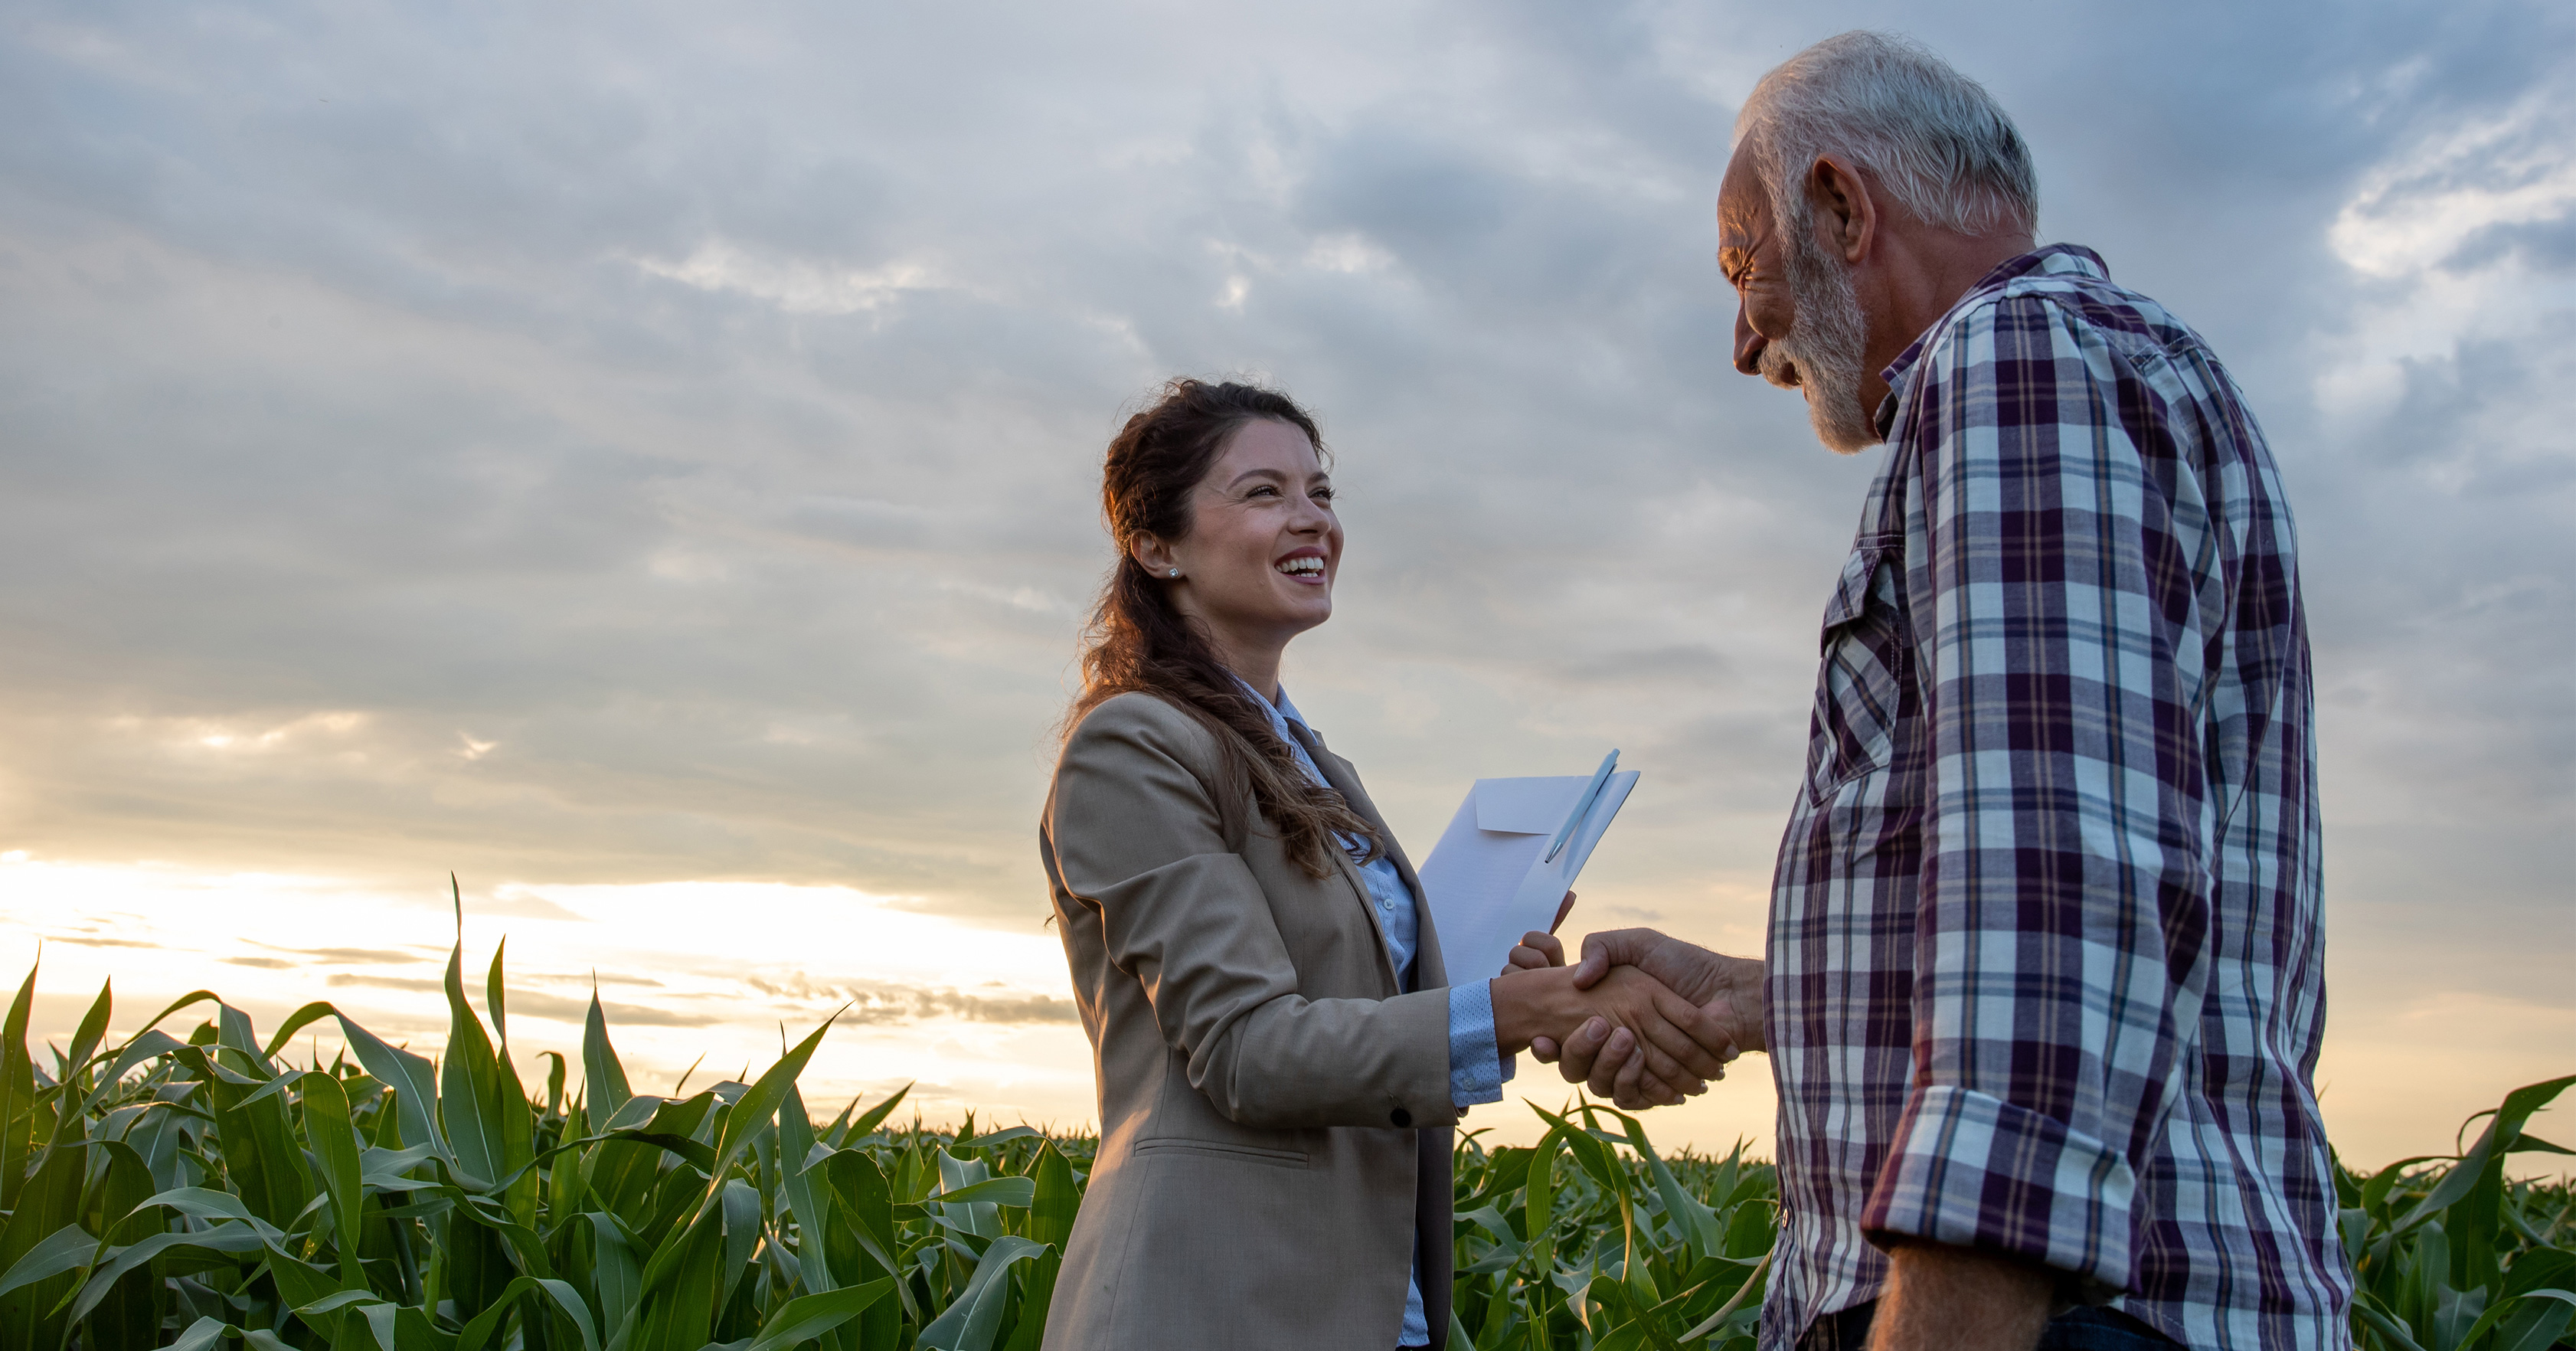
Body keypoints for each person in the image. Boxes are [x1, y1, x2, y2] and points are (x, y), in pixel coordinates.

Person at [1514, 31, 2353, 1351]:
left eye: (1744, 267)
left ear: (1842, 209)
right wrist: (1745, 995)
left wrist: (1947, 1317)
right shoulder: (2123, 368)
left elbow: (2052, 892)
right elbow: (2105, 889)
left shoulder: (2013, 360)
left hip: (2054, 1316)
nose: (1743, 339)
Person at [1038, 378, 1732, 1350]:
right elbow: (1247, 1050)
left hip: (1377, 1309)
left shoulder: (1317, 764)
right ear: (1155, 548)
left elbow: (1360, 1018)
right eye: (1264, 493)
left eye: (1321, 493)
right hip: (1214, 1304)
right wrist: (1527, 1011)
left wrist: (1501, 986)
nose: (1311, 519)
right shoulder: (1133, 746)